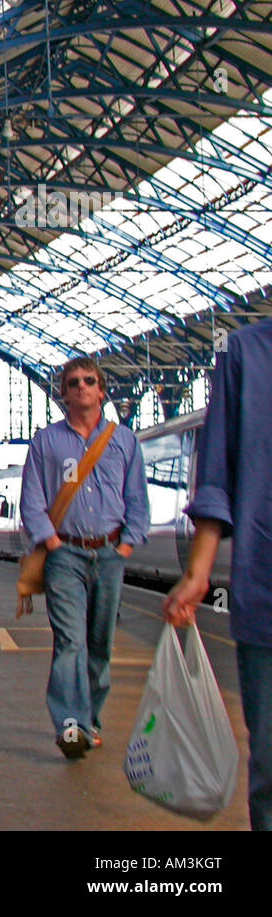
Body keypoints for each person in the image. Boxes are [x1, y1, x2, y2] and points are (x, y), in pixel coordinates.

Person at [162, 320, 271, 830]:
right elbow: (218, 474)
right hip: (266, 587)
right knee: (270, 762)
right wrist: (198, 572)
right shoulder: (244, 352)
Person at [19, 356, 148, 759]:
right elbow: (33, 501)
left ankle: (91, 720)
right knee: (71, 642)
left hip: (109, 554)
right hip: (65, 556)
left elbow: (137, 500)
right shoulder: (46, 442)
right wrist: (53, 544)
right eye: (72, 382)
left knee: (99, 645)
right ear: (64, 393)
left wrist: (126, 545)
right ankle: (70, 726)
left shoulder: (124, 441)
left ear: (102, 389)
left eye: (88, 381)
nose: (80, 387)